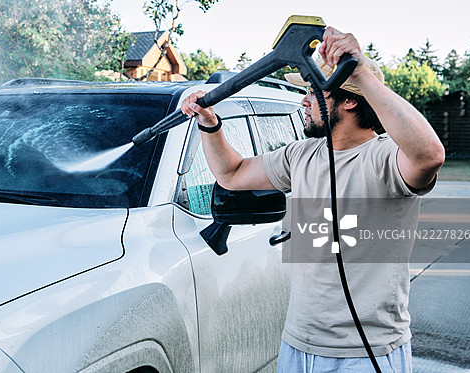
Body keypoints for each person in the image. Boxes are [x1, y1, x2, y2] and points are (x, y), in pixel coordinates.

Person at [180, 27, 445, 373]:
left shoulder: (386, 159)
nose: (304, 101)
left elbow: (430, 156)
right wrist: (210, 124)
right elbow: (231, 173)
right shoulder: (302, 155)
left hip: (365, 354)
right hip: (299, 345)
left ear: (349, 99)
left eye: (312, 91)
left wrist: (360, 72)